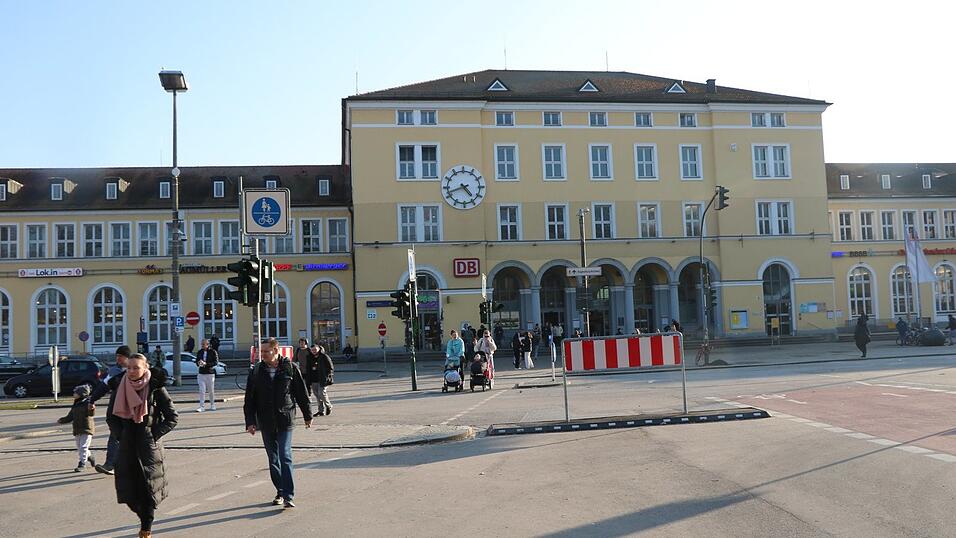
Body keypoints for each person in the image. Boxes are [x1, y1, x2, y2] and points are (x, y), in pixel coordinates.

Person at [108, 353, 178, 538]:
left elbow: (172, 418)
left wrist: (153, 435)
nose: (131, 371)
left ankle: (146, 527)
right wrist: (120, 435)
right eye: (129, 368)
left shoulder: (155, 388)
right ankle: (143, 518)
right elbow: (111, 418)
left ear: (145, 368)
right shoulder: (119, 387)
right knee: (129, 492)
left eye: (136, 368)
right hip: (127, 446)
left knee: (147, 490)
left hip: (148, 448)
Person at [243, 338, 313, 508]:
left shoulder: (290, 368)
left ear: (276, 351)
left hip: (285, 419)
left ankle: (289, 495)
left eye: (266, 351)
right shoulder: (257, 371)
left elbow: (301, 393)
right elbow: (249, 399)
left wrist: (307, 415)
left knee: (285, 455)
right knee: (273, 459)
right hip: (266, 420)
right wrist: (250, 421)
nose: (263, 354)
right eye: (261, 351)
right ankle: (280, 491)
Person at [90, 345, 132, 475]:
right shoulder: (114, 372)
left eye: (120, 356)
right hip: (119, 409)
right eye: (117, 356)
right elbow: (103, 386)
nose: (118, 358)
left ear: (127, 357)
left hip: (135, 410)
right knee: (115, 435)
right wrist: (91, 399)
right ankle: (110, 464)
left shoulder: (136, 369)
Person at [57, 384, 96, 472]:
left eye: (76, 393)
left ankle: (82, 463)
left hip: (87, 428)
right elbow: (70, 416)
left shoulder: (88, 403)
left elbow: (91, 414)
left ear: (81, 394)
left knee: (83, 447)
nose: (74, 394)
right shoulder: (76, 404)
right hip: (77, 429)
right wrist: (62, 420)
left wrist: (92, 409)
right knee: (80, 447)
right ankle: (90, 456)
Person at [308, 343, 334, 416]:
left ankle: (329, 406)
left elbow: (331, 367)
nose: (314, 351)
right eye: (312, 350)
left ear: (319, 349)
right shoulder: (310, 357)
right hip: (313, 379)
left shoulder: (324, 356)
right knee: (317, 396)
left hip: (323, 379)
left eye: (315, 350)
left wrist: (328, 375)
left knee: (321, 393)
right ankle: (320, 411)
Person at [195, 339, 219, 412]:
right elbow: (196, 361)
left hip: (210, 373)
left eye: (203, 344)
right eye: (201, 344)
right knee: (202, 390)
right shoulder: (200, 352)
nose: (202, 346)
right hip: (201, 373)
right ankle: (201, 406)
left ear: (207, 344)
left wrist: (206, 364)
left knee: (211, 390)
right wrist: (199, 363)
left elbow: (216, 362)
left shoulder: (213, 351)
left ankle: (212, 405)